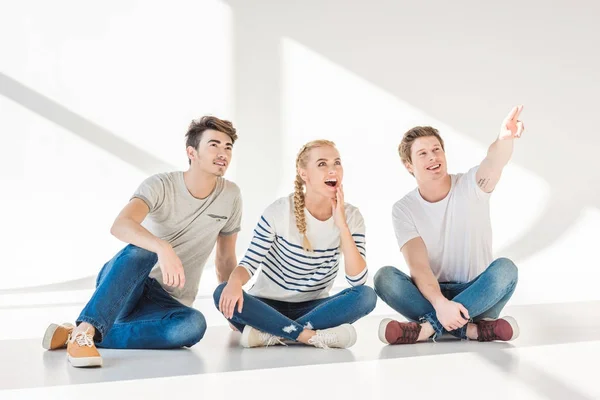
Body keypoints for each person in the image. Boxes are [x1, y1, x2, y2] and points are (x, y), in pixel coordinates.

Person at [42, 116, 242, 367]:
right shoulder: (161, 185)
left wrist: (230, 305)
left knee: (193, 325)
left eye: (228, 147)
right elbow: (121, 225)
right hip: (126, 284)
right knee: (143, 251)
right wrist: (162, 247)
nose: (223, 152)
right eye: (214, 145)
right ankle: (85, 332)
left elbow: (225, 259)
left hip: (166, 303)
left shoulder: (231, 195)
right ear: (192, 152)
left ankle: (82, 333)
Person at [375, 106, 525, 344]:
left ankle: (427, 329)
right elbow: (418, 267)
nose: (432, 157)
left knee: (506, 269)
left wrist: (504, 140)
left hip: (478, 294)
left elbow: (494, 162)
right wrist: (441, 304)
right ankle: (472, 330)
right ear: (409, 165)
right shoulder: (404, 209)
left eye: (436, 150)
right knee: (384, 278)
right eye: (422, 153)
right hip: (432, 295)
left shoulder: (471, 186)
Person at [214, 140, 376, 349]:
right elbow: (250, 262)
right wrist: (234, 282)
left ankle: (272, 333)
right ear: (304, 174)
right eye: (322, 164)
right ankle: (309, 336)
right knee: (221, 292)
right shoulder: (279, 211)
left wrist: (342, 225)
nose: (332, 169)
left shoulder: (352, 217)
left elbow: (357, 280)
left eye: (337, 162)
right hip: (266, 305)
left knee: (366, 296)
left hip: (314, 308)